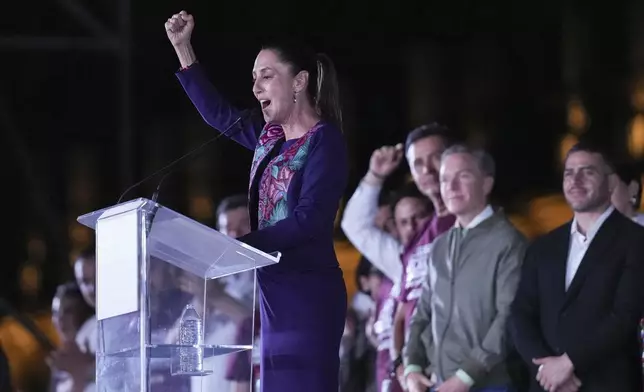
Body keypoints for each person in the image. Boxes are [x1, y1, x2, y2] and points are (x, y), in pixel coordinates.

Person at [166, 11, 348, 391]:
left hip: (309, 294)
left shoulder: (324, 141)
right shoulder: (268, 139)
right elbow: (219, 115)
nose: (256, 88)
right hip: (272, 294)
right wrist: (183, 49)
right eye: (253, 79)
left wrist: (239, 247)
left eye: (266, 76)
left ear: (299, 81)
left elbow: (310, 219)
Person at [510, 141, 644, 391]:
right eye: (569, 173)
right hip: (548, 385)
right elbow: (521, 313)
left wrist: (569, 363)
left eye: (588, 171)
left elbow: (625, 316)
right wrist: (545, 368)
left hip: (606, 383)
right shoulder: (543, 247)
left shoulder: (636, 241)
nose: (576, 180)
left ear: (611, 183)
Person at [404, 145, 526, 392]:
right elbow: (423, 312)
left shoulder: (508, 242)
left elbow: (508, 318)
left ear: (487, 184)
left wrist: (465, 377)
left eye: (464, 176)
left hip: (489, 384)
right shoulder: (439, 246)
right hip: (438, 382)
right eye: (445, 179)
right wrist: (412, 366)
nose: (451, 186)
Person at [48, 282, 94, 392]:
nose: (60, 319)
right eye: (55, 313)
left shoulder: (96, 347)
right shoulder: (61, 361)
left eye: (68, 311)